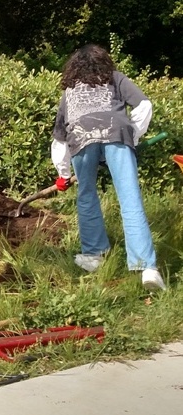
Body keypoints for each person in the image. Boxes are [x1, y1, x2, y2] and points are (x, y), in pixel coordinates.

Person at [50, 44, 165, 290]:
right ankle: (147, 268)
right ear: (104, 62)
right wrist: (132, 135)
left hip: (80, 136)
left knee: (87, 195)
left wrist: (64, 174)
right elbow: (144, 105)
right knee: (130, 198)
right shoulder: (115, 78)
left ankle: (94, 256)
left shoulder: (69, 91)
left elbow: (59, 139)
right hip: (117, 132)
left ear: (74, 68)